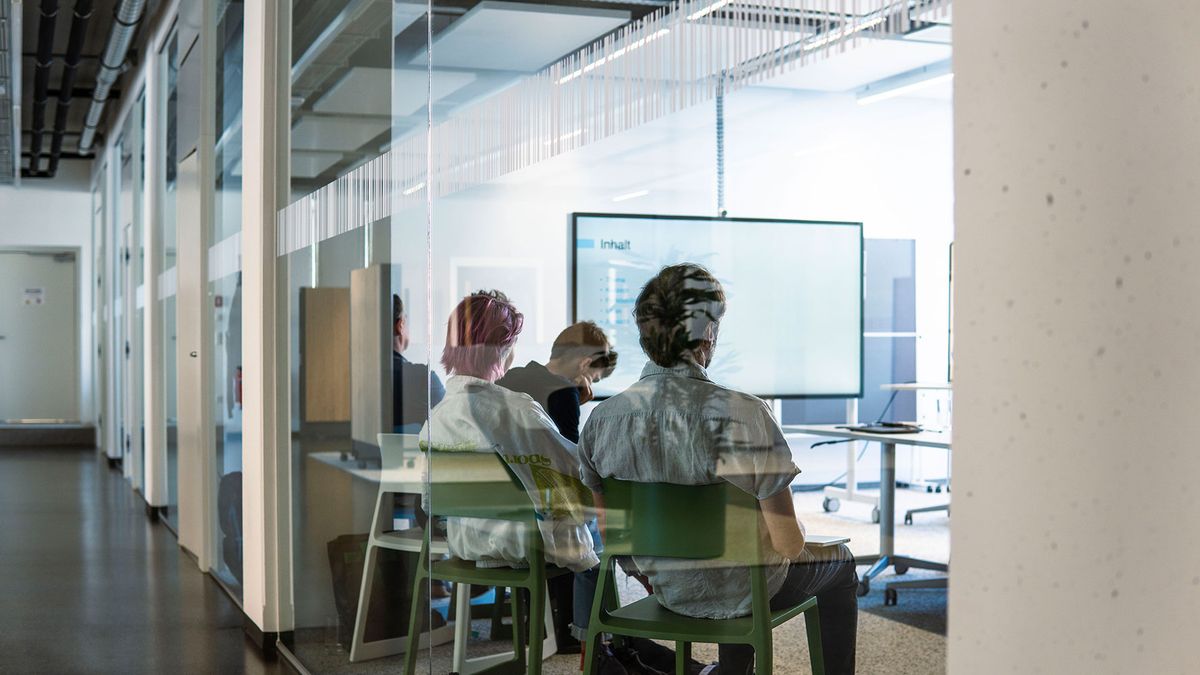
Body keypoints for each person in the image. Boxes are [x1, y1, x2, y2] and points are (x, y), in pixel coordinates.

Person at [578, 264, 859, 675]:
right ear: (707, 333)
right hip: (751, 593)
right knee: (840, 561)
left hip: (669, 592)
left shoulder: (601, 421)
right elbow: (788, 545)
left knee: (743, 559)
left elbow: (613, 538)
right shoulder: (745, 414)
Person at [420, 288, 598, 573]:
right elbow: (577, 474)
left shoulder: (437, 417)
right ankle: (587, 618)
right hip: (529, 544)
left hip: (466, 542)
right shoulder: (518, 410)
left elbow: (431, 503)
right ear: (504, 348)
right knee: (605, 522)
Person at [496, 321, 616, 443]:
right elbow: (571, 456)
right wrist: (572, 402)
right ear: (584, 364)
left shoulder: (509, 376)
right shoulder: (566, 393)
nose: (590, 385)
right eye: (594, 379)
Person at [393, 294, 445, 432]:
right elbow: (447, 425)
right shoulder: (425, 378)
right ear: (400, 325)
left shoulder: (362, 380)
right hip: (414, 454)